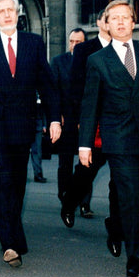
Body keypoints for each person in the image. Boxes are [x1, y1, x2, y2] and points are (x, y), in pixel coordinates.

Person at [0, 0, 61, 268]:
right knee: (3, 182)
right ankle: (9, 243)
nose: (7, 15)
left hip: (23, 126)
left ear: (18, 14)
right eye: (1, 12)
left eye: (11, 10)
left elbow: (48, 85)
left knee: (18, 183)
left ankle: (13, 232)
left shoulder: (33, 43)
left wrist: (54, 119)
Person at [78, 0, 139, 277]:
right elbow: (89, 104)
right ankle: (135, 258)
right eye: (113, 18)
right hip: (117, 138)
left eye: (125, 17)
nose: (119, 22)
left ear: (133, 22)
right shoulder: (97, 61)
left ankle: (116, 225)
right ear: (106, 24)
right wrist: (84, 144)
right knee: (129, 194)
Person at [60, 13, 119, 230]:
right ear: (100, 22)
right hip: (95, 123)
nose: (113, 22)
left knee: (120, 174)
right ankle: (69, 203)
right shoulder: (84, 50)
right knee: (88, 169)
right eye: (109, 18)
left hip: (120, 122)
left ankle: (116, 225)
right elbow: (75, 88)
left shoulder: (126, 48)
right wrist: (79, 120)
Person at [50, 28, 86, 196]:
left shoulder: (92, 61)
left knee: (86, 162)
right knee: (65, 161)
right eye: (71, 42)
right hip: (65, 120)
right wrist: (57, 117)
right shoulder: (58, 62)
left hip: (86, 120)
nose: (74, 45)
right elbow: (54, 92)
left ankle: (83, 201)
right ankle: (64, 194)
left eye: (78, 42)